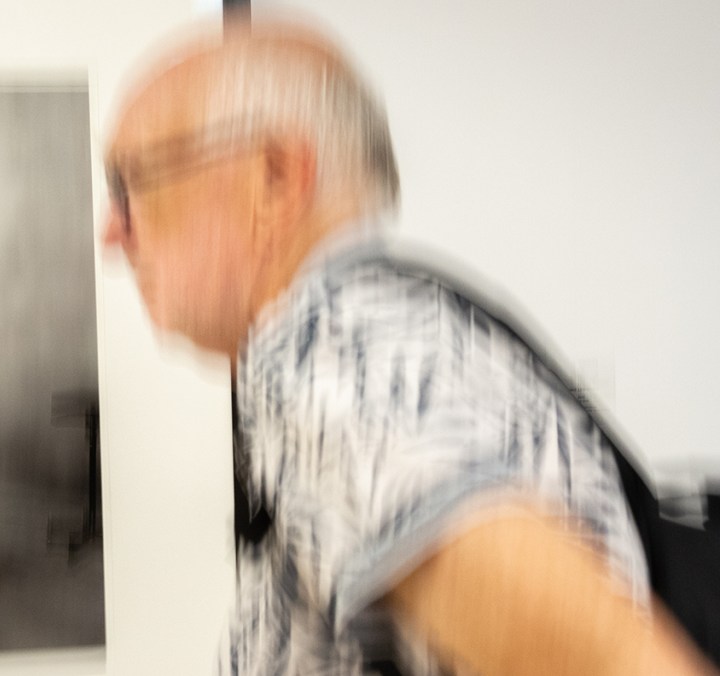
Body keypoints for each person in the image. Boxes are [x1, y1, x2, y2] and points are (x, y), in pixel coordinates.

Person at [102, 18, 716, 675]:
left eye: (128, 184)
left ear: (274, 178)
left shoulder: (338, 352)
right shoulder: (403, 329)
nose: (112, 232)